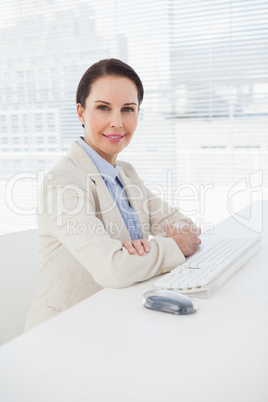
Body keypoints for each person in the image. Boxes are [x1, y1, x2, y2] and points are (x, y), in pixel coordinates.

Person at [24, 58, 201, 331]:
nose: (117, 122)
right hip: (65, 332)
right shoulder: (62, 182)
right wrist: (172, 246)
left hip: (116, 322)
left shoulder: (126, 173)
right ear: (81, 113)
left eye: (128, 109)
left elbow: (183, 226)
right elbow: (114, 269)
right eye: (103, 108)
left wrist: (145, 252)